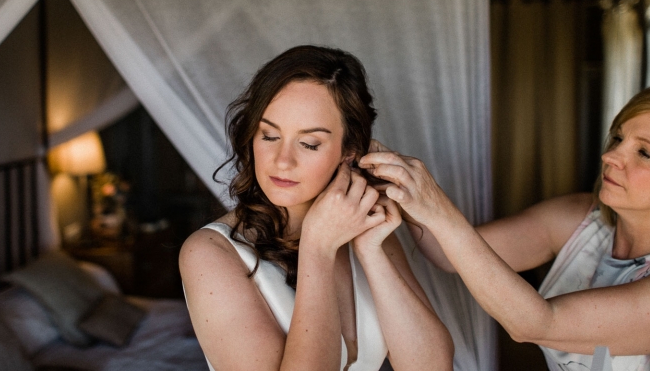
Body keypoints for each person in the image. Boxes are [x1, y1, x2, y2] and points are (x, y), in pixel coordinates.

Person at [359, 79, 650, 370]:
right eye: (619, 137)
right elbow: (447, 254)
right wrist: (396, 181)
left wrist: (435, 205)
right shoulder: (582, 218)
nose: (611, 156)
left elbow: (536, 324)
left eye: (645, 153)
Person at [179, 45, 453, 371]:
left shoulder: (363, 224)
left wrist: (370, 250)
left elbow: (432, 366)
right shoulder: (210, 253)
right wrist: (317, 250)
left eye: (309, 143)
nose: (282, 161)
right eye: (268, 135)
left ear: (348, 150)